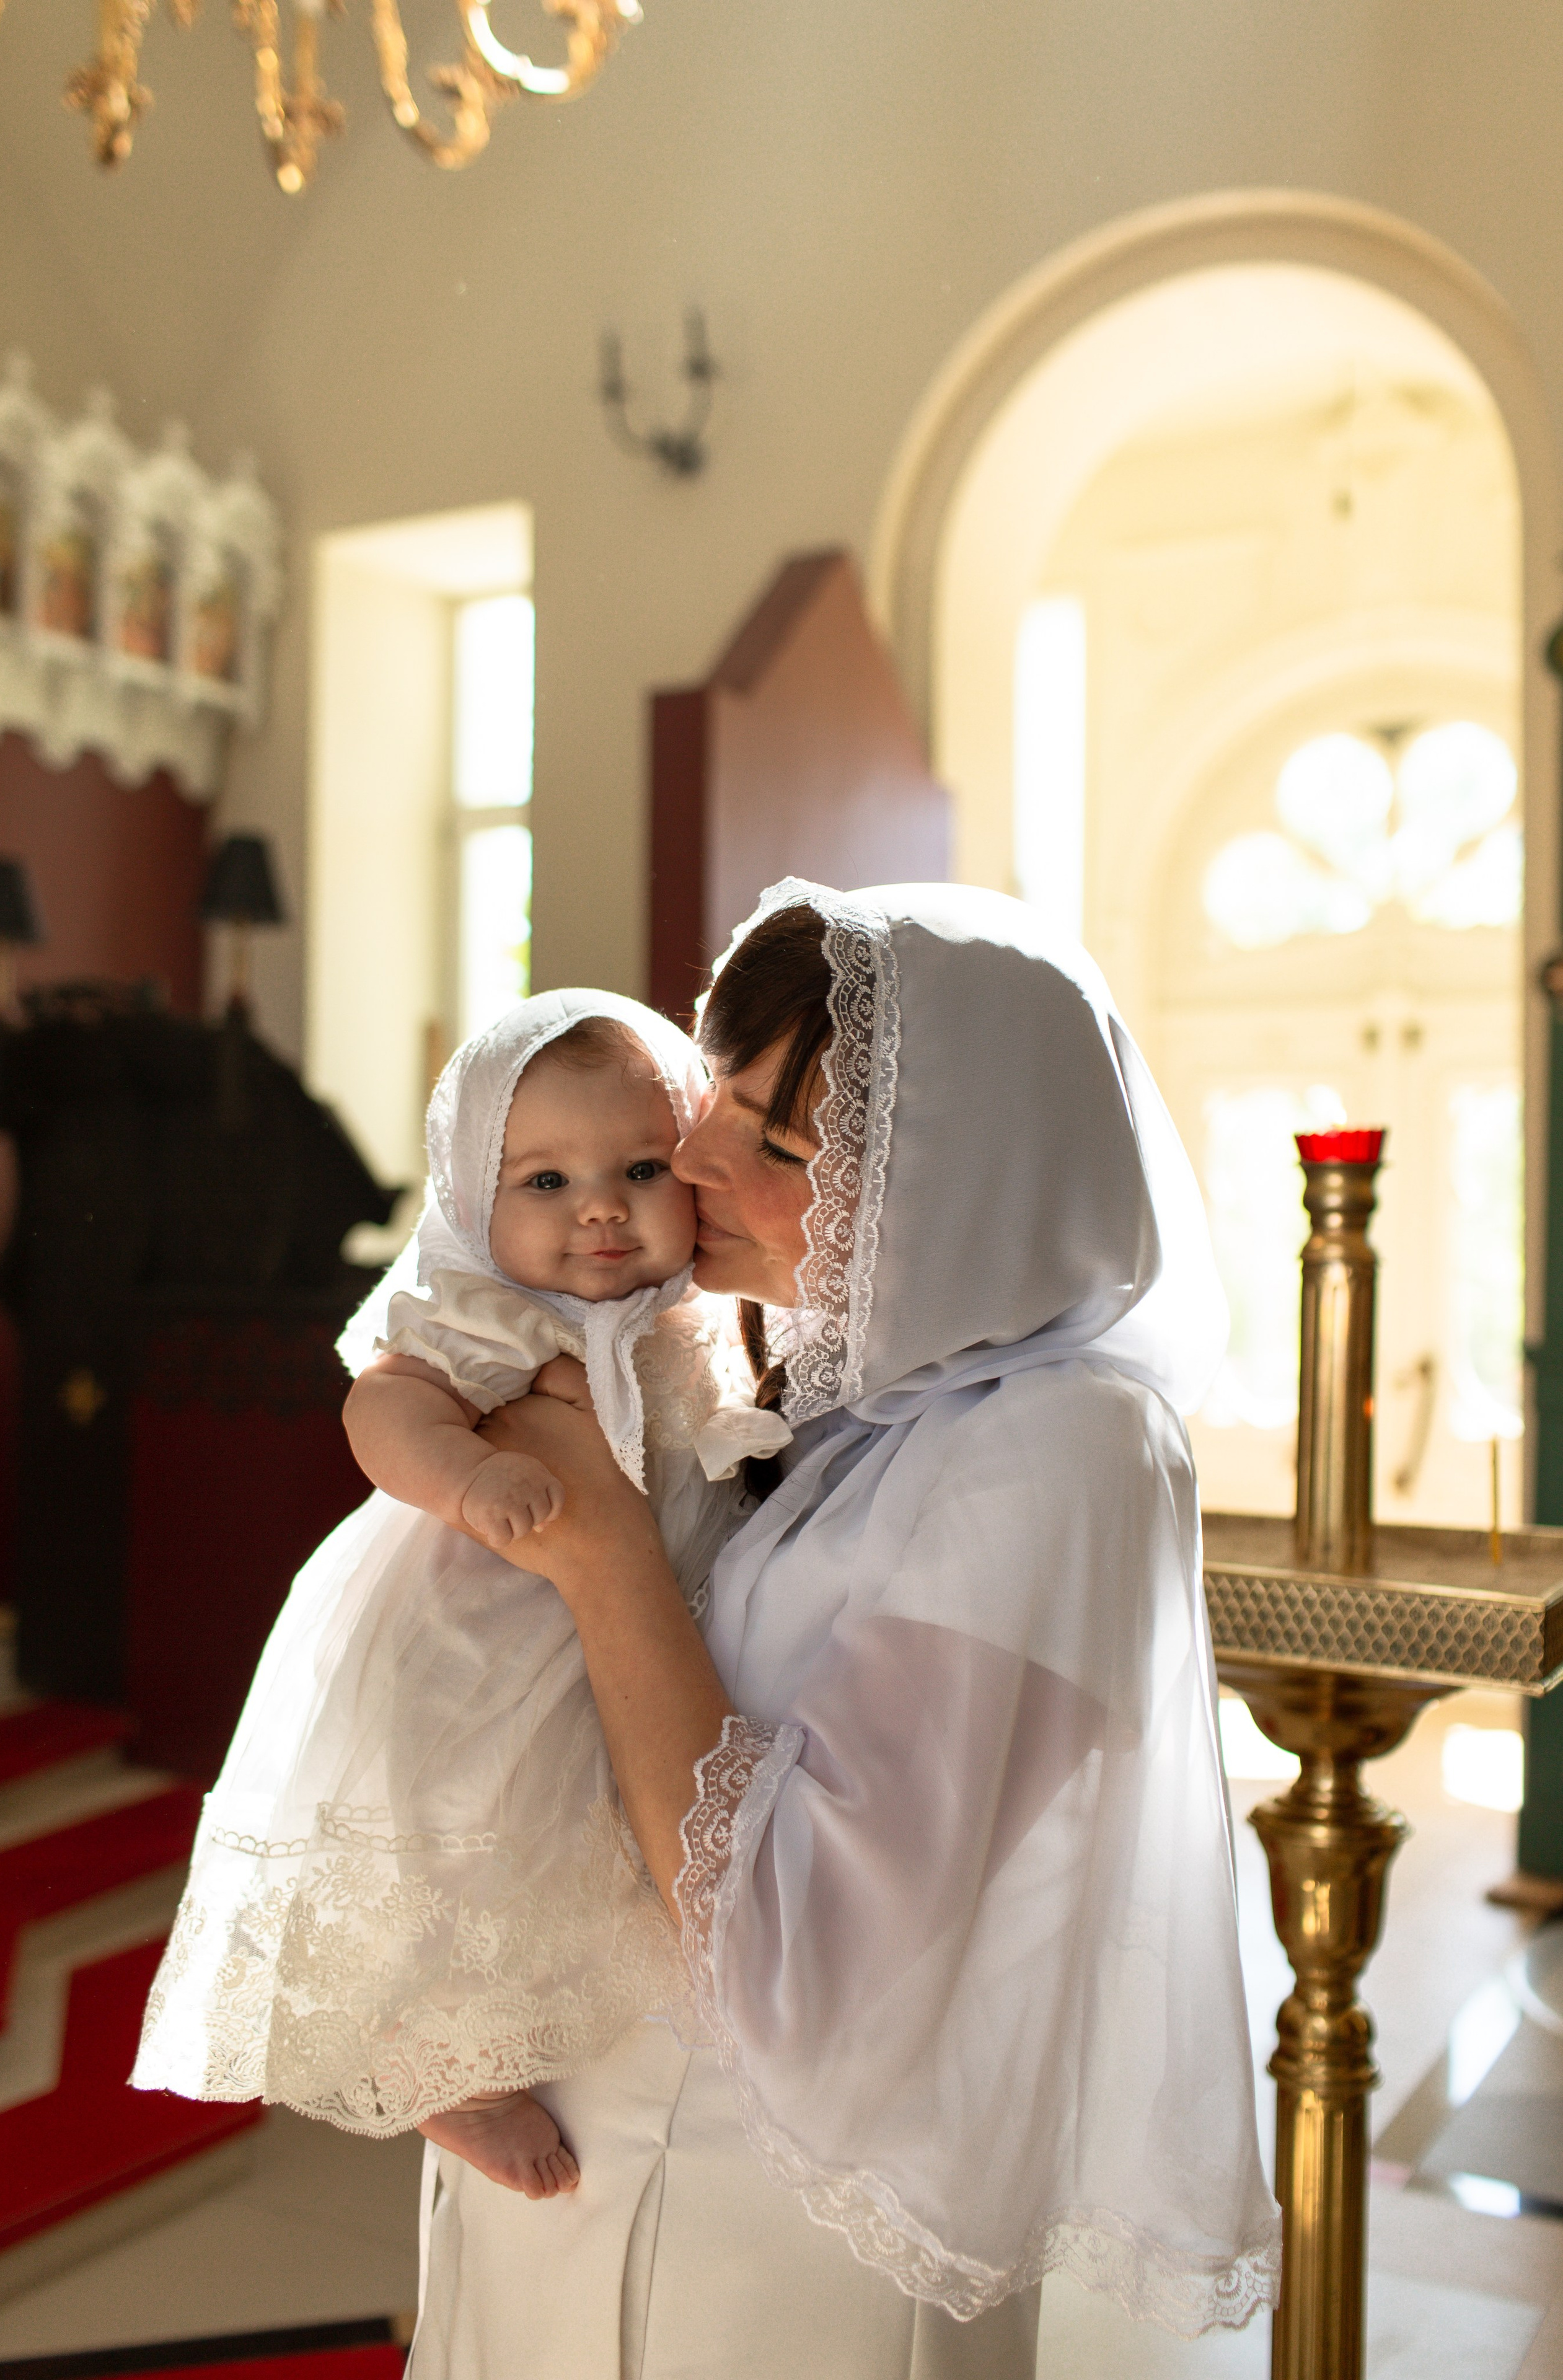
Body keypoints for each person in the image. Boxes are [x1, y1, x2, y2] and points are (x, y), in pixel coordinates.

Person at [407, 879, 1281, 2380]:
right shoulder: (878, 1398)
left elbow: (799, 1963)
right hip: (600, 2148)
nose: (691, 1162)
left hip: (754, 2253)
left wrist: (602, 1553)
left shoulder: (1059, 1450)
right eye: (714, 1102)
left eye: (778, 1141)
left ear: (962, 1180)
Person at [132, 991, 788, 2200]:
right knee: (454, 1835)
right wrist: (470, 1474)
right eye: (543, 1181)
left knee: (571, 1851)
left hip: (623, 1631)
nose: (599, 1206)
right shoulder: (487, 1307)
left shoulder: (699, 1310)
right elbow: (379, 1408)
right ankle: (442, 2072)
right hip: (478, 1621)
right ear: (469, 1197)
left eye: (641, 1166)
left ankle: (525, 2029)